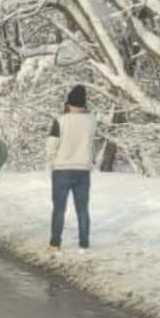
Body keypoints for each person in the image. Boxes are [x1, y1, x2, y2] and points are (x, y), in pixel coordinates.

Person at [47, 84, 97, 252]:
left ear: (69, 103)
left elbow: (51, 145)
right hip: (83, 169)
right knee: (82, 209)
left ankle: (55, 243)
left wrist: (51, 164)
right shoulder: (92, 121)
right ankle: (84, 243)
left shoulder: (60, 121)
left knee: (59, 209)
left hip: (62, 169)